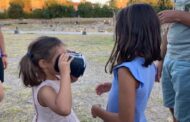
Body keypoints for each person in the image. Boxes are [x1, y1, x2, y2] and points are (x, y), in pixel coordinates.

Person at [91, 4, 161, 122]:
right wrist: (115, 87)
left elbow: (125, 120)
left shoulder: (127, 70)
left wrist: (97, 110)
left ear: (129, 34)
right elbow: (138, 89)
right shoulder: (149, 65)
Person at [19, 36, 80, 122]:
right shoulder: (44, 89)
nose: (65, 59)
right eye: (61, 57)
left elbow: (71, 79)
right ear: (43, 63)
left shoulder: (56, 75)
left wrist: (75, 68)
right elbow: (64, 109)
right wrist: (65, 73)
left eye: (65, 54)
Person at [157, 0, 190, 121]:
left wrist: (177, 15)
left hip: (187, 61)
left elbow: (176, 17)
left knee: (184, 116)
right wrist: (161, 58)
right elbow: (170, 29)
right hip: (170, 59)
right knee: (173, 107)